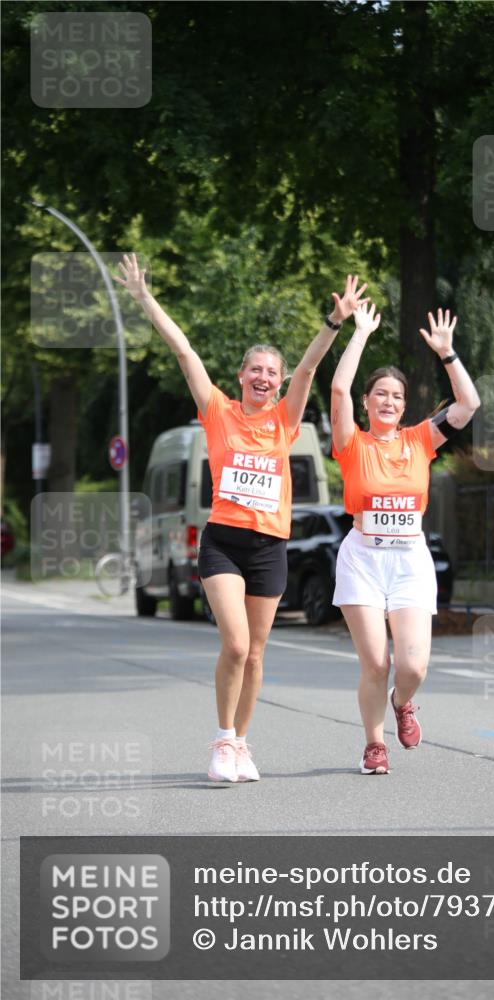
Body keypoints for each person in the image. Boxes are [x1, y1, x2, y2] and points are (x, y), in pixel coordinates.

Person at [114, 254, 369, 782]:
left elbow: (310, 368)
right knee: (234, 643)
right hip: (224, 544)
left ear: (277, 384)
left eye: (271, 372)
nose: (264, 377)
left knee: (255, 655)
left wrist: (334, 323)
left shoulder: (285, 419)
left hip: (270, 548)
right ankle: (222, 738)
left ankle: (243, 744)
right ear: (241, 376)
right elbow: (183, 350)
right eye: (256, 369)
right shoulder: (218, 410)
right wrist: (143, 298)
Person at [330, 302, 481, 775]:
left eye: (396, 395)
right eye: (380, 394)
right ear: (368, 402)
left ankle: (403, 701)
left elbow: (468, 406)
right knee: (376, 662)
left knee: (412, 666)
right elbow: (337, 388)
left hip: (410, 561)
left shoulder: (421, 439)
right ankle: (374, 745)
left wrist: (448, 354)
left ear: (404, 403)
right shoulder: (350, 443)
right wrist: (358, 333)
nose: (389, 401)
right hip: (362, 561)